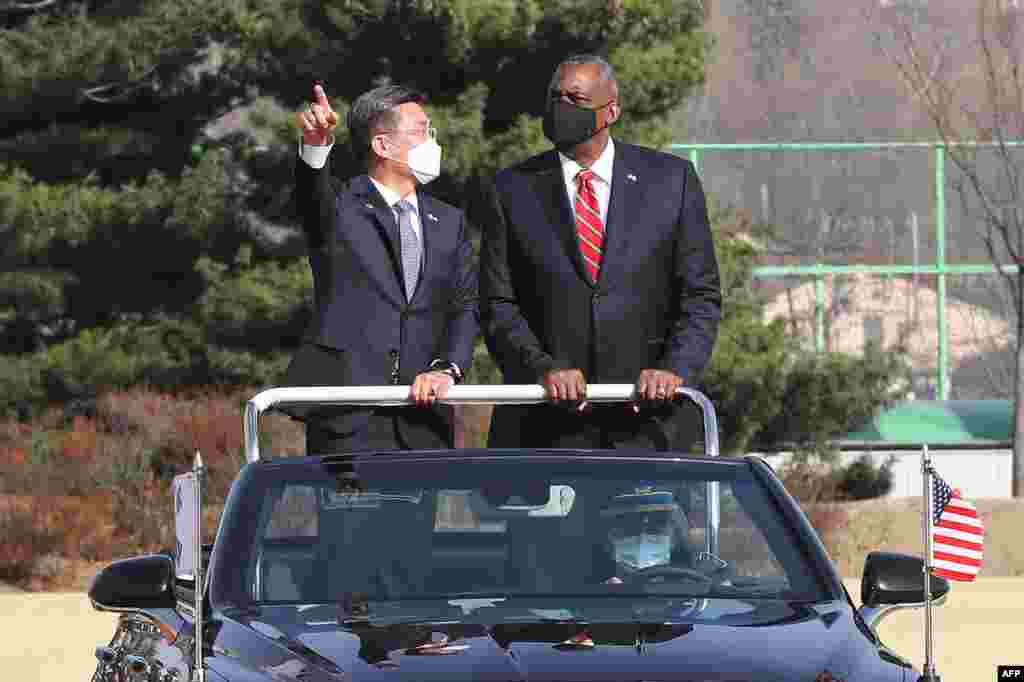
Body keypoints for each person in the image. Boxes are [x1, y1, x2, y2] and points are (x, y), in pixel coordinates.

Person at [479, 54, 722, 450]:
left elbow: (700, 295)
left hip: (648, 426)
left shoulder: (671, 182)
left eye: (575, 99)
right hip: (545, 428)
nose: (561, 109)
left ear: (610, 111)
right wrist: (542, 368)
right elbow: (497, 302)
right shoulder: (512, 188)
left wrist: (673, 369)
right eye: (554, 97)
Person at [284, 83, 478, 453]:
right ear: (382, 145)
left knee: (419, 513)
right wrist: (316, 145)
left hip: (424, 419)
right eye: (422, 131)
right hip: (348, 415)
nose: (432, 142)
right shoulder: (342, 205)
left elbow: (465, 305)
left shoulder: (449, 221)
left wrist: (447, 368)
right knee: (348, 513)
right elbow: (313, 194)